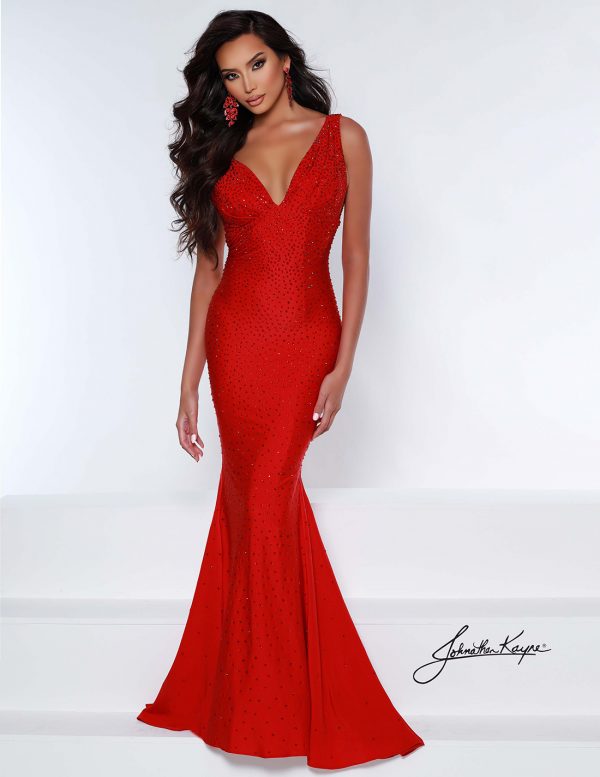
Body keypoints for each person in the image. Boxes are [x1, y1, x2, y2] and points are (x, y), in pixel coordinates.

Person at [137, 9, 425, 769]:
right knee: (255, 500)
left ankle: (267, 698)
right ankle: (255, 697)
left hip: (305, 342)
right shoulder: (222, 152)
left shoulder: (343, 138)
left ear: (285, 60)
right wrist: (188, 379)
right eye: (232, 75)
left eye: (257, 64)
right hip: (236, 345)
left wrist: (344, 363)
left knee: (265, 495)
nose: (247, 84)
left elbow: (356, 256)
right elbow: (209, 271)